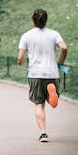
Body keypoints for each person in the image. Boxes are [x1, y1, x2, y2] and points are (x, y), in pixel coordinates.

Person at [17, 9, 68, 143]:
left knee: (38, 104)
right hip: (52, 73)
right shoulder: (54, 34)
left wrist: (21, 61)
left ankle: (43, 133)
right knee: (51, 100)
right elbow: (64, 47)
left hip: (35, 74)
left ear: (33, 20)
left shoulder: (26, 36)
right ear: (46, 20)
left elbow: (20, 58)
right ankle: (52, 95)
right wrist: (61, 62)